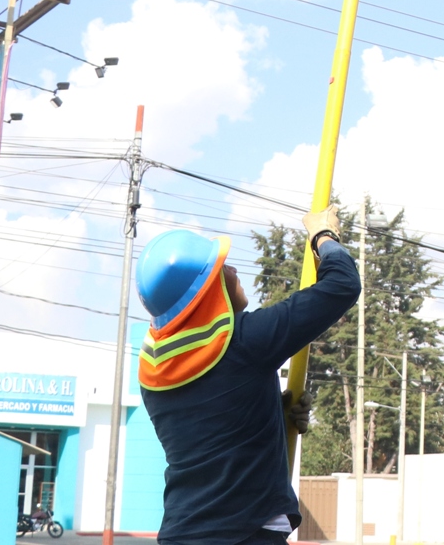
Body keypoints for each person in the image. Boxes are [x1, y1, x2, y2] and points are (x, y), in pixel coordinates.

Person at [136, 206, 359, 545]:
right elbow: (342, 284)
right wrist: (324, 235)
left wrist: (274, 413)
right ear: (206, 291)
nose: (234, 269)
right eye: (221, 268)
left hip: (182, 533)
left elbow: (217, 429)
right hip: (246, 535)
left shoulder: (155, 372)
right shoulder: (246, 341)